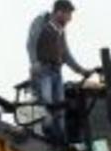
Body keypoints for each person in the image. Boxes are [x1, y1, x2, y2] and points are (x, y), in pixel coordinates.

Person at [27, 1, 92, 143]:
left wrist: (80, 71)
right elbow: (31, 42)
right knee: (46, 104)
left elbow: (66, 54)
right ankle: (45, 139)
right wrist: (34, 63)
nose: (70, 19)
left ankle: (60, 141)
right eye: (68, 15)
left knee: (60, 108)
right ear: (59, 12)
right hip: (43, 71)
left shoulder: (60, 32)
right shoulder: (42, 22)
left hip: (56, 72)